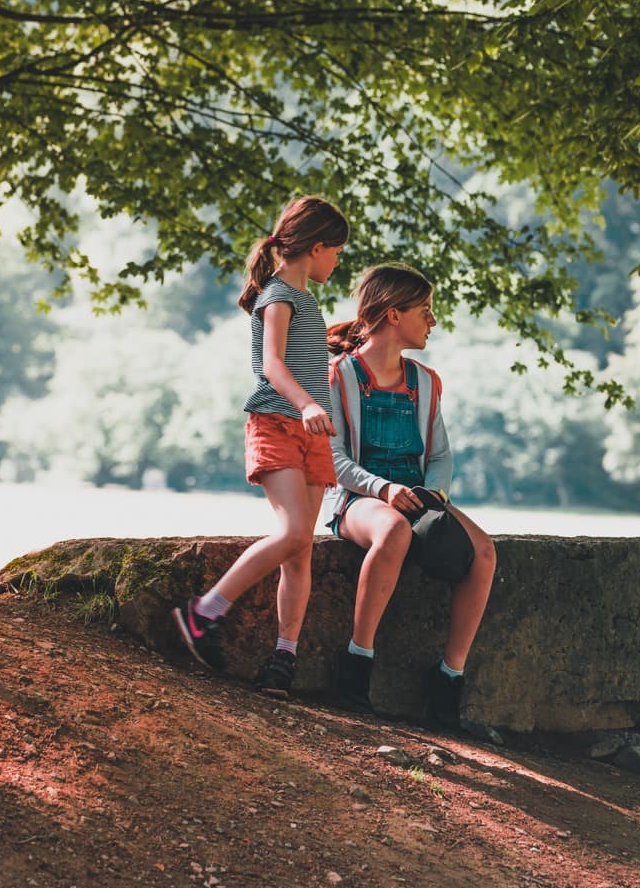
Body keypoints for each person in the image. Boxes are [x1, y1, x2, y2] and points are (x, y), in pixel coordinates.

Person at [172, 195, 349, 698]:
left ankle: (283, 658)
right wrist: (307, 404)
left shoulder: (306, 299)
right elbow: (272, 364)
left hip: (312, 434)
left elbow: (305, 358)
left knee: (301, 550)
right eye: (337, 252)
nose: (338, 262)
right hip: (277, 423)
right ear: (316, 247)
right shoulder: (277, 296)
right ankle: (204, 611)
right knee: (292, 534)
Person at [324, 263, 496, 730]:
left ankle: (449, 679)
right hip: (358, 499)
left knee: (484, 552)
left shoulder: (425, 381)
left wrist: (433, 495)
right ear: (394, 315)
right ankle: (356, 664)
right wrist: (383, 489)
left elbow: (440, 455)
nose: (433, 320)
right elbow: (333, 460)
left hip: (418, 497)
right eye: (425, 310)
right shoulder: (338, 375)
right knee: (394, 531)